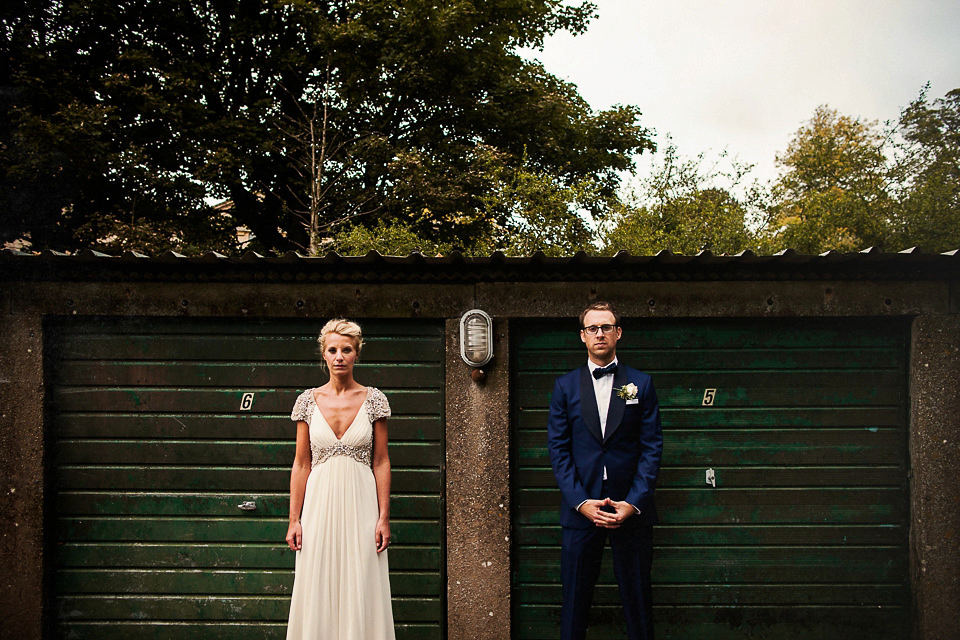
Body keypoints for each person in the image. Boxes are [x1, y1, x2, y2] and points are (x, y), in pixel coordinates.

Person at [547, 301, 663, 640]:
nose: (600, 333)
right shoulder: (564, 387)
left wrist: (634, 502)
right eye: (593, 328)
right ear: (583, 336)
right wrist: (581, 502)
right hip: (581, 512)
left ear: (618, 333)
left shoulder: (641, 384)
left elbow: (651, 447)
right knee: (574, 604)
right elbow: (558, 450)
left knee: (638, 601)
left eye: (607, 327)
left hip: (632, 510)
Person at [285, 318, 396, 640]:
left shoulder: (374, 400)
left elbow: (382, 461)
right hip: (318, 505)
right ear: (323, 354)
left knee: (361, 578)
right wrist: (294, 519)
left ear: (356, 354)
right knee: (316, 577)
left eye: (346, 350)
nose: (339, 356)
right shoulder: (308, 401)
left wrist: (383, 518)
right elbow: (302, 464)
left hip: (362, 505)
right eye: (332, 350)